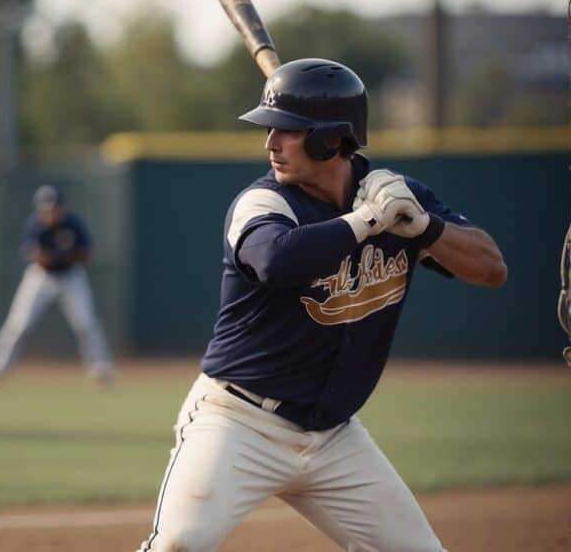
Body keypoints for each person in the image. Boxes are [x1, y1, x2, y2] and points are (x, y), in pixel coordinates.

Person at [136, 59, 507, 552]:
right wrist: (367, 221)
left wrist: (425, 228)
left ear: (331, 141)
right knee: (178, 545)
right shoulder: (264, 203)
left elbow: (491, 268)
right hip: (238, 422)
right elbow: (276, 261)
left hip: (334, 436)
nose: (270, 143)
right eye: (270, 130)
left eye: (287, 131)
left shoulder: (401, 201)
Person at [0, 185, 114, 384]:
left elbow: (86, 254)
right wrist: (65, 255)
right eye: (46, 208)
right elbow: (40, 258)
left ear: (62, 207)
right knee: (19, 323)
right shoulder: (35, 225)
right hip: (41, 277)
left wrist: (61, 256)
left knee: (86, 323)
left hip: (71, 277)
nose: (51, 212)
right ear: (40, 209)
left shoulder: (73, 223)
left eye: (54, 207)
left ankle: (100, 368)